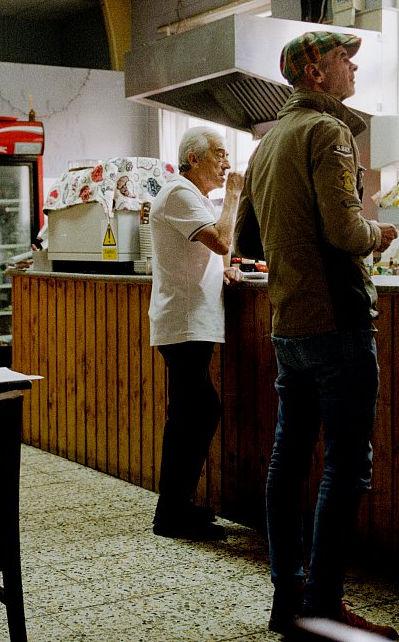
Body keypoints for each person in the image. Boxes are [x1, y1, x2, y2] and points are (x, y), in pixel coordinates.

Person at [234, 31, 399, 638]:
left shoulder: (266, 143)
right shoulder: (330, 133)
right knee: (346, 465)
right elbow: (345, 232)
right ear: (315, 71)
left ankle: (287, 595)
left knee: (289, 457)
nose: (353, 66)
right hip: (338, 320)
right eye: (342, 58)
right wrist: (377, 232)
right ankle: (323, 603)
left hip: (289, 323)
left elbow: (247, 242)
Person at [148, 126, 244, 541]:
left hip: (188, 321)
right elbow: (222, 239)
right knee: (195, 413)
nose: (226, 163)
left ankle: (176, 507)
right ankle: (170, 513)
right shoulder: (180, 193)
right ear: (193, 159)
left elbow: (206, 252)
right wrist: (236, 194)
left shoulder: (193, 198)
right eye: (219, 155)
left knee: (192, 413)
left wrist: (223, 269)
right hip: (184, 322)